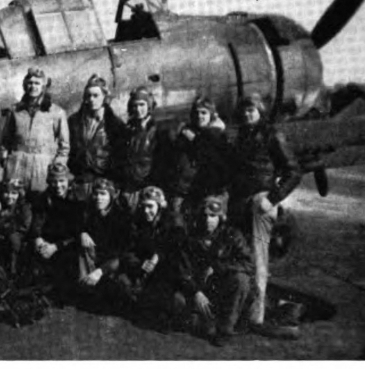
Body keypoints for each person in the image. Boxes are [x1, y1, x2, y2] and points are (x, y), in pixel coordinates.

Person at [228, 93, 302, 339]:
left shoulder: (272, 135)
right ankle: (239, 312)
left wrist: (272, 199)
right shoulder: (242, 136)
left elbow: (293, 171)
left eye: (252, 109)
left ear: (261, 111)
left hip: (260, 201)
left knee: (259, 259)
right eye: (245, 110)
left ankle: (255, 318)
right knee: (240, 257)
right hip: (240, 202)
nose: (248, 114)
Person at [174, 195, 254, 347]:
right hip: (200, 291)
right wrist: (196, 292)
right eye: (204, 216)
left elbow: (248, 264)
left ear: (221, 217)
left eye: (212, 216)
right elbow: (182, 270)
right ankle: (206, 321)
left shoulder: (232, 235)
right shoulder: (190, 238)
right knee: (178, 304)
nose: (207, 220)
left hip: (222, 289)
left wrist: (219, 267)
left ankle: (225, 330)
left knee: (241, 280)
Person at [122, 186, 187, 330]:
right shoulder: (137, 221)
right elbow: (128, 250)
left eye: (150, 206)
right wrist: (140, 264)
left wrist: (158, 257)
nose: (146, 211)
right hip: (144, 272)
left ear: (160, 205)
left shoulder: (173, 221)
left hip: (167, 274)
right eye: (143, 206)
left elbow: (176, 249)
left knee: (175, 301)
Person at [2, 67, 70, 195]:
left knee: (39, 203)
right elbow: (5, 140)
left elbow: (64, 146)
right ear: (25, 85)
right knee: (16, 203)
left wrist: (56, 167)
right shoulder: (15, 111)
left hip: (43, 167)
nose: (33, 87)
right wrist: (6, 162)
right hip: (17, 166)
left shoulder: (56, 112)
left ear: (43, 86)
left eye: (37, 83)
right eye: (30, 83)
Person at [161, 96, 231, 217]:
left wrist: (196, 140)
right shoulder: (185, 134)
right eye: (196, 113)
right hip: (184, 190)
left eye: (204, 113)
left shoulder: (219, 136)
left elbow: (214, 159)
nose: (199, 116)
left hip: (211, 192)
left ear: (212, 115)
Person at [26, 164, 83, 300]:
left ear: (68, 181)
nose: (58, 185)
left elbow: (77, 232)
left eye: (62, 181)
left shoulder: (77, 199)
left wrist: (56, 247)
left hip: (68, 244)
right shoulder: (44, 197)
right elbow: (37, 222)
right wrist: (38, 240)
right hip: (48, 241)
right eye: (54, 181)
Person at [77, 178, 133, 311]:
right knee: (83, 246)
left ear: (111, 196)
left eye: (103, 194)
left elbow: (122, 252)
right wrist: (82, 232)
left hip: (113, 263)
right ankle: (85, 284)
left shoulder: (121, 216)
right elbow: (76, 225)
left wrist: (100, 271)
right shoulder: (89, 212)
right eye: (96, 193)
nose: (98, 198)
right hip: (95, 256)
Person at [67, 74, 125, 201]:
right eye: (88, 96)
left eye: (96, 95)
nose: (91, 99)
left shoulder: (115, 124)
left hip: (104, 183)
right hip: (81, 181)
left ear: (104, 96)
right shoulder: (74, 122)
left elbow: (120, 156)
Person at [117, 86, 164, 214]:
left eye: (142, 105)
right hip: (128, 188)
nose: (138, 109)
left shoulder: (159, 131)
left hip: (148, 188)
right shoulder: (127, 131)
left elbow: (162, 163)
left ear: (149, 106)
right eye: (135, 105)